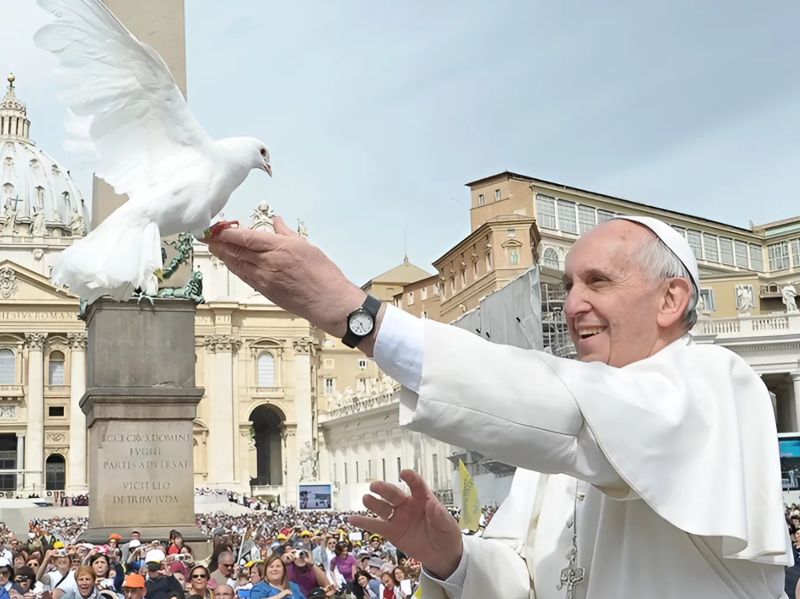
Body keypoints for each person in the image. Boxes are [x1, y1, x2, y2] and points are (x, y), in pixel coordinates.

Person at [207, 214, 791, 598]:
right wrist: (454, 558)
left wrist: (359, 317)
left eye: (599, 282)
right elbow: (523, 581)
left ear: (671, 298)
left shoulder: (719, 383)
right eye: (568, 288)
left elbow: (574, 411)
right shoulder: (559, 449)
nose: (574, 306)